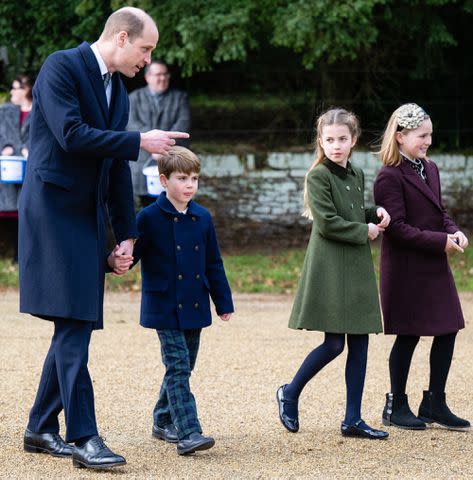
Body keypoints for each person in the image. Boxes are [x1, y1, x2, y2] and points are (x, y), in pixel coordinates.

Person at [19, 7, 189, 470]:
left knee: (75, 320)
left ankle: (39, 427)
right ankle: (84, 436)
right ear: (120, 37)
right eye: (146, 49)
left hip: (87, 217)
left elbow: (115, 168)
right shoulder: (60, 66)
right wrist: (138, 141)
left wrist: (127, 235)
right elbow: (72, 136)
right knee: (75, 321)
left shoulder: (118, 92)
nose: (149, 58)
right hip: (53, 214)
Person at [109, 146, 234, 455]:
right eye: (182, 178)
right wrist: (116, 262)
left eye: (194, 178)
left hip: (194, 305)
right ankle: (188, 431)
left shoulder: (202, 217)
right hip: (163, 306)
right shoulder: (148, 217)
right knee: (178, 366)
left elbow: (213, 263)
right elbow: (131, 254)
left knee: (183, 366)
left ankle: (162, 419)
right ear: (163, 180)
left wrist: (223, 301)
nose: (189, 185)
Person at [276, 108, 390, 440]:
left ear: (353, 140)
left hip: (355, 262)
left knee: (360, 342)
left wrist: (374, 212)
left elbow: (351, 211)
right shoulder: (318, 175)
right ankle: (290, 391)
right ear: (321, 141)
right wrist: (365, 229)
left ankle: (352, 419)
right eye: (329, 139)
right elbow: (327, 221)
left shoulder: (355, 173)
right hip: (330, 263)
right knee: (334, 344)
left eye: (342, 139)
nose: (336, 145)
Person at [373, 103, 470, 431]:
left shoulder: (431, 168)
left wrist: (453, 230)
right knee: (409, 334)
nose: (428, 140)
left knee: (449, 327)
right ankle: (396, 404)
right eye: (422, 135)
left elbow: (439, 211)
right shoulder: (388, 175)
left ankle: (434, 403)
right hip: (405, 269)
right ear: (400, 136)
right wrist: (439, 241)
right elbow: (397, 228)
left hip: (432, 264)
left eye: (430, 134)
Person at [128, 60, 190, 207]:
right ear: (147, 77)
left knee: (175, 207)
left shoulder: (180, 98)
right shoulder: (134, 98)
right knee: (147, 207)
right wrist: (152, 145)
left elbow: (183, 124)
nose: (162, 78)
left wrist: (164, 147)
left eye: (165, 74)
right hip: (143, 162)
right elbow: (131, 125)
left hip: (174, 160)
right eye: (158, 74)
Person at [0, 74, 34, 260]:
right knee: (11, 211)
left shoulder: (39, 111)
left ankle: (25, 256)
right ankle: (15, 256)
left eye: (15, 88)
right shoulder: (5, 112)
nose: (12, 92)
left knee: (28, 210)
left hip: (31, 169)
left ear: (26, 89)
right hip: (9, 169)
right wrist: (6, 146)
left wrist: (29, 149)